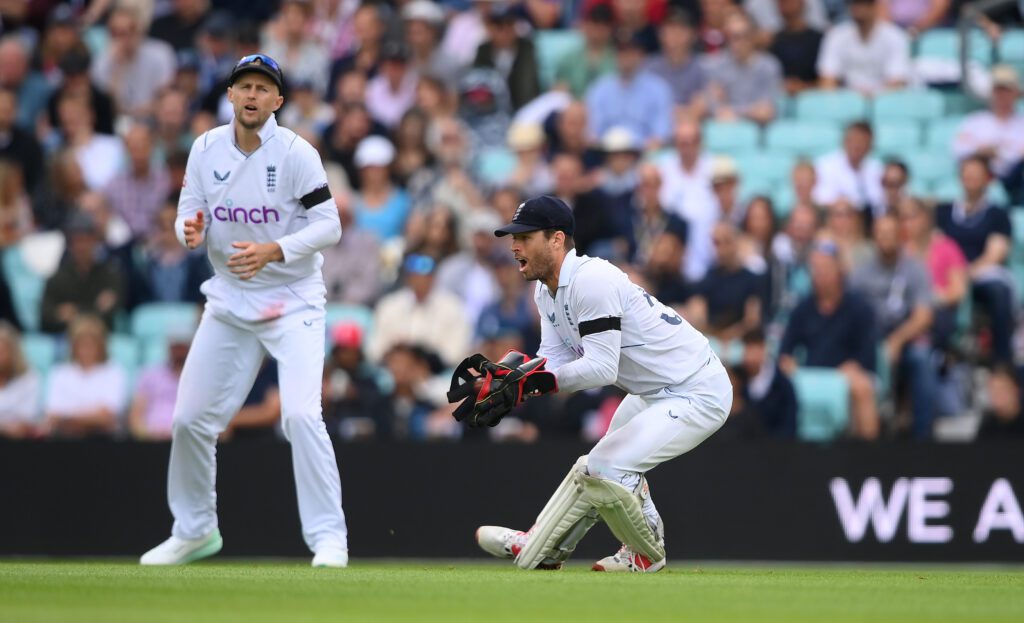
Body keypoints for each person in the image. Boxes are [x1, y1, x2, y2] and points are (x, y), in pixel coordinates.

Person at [140, 54, 348, 568]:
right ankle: (194, 531)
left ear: (278, 101)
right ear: (230, 95)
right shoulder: (205, 147)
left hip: (293, 298)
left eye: (263, 88)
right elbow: (188, 213)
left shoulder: (297, 153)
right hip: (230, 299)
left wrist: (275, 250)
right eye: (244, 86)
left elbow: (329, 226)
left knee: (300, 416)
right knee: (189, 420)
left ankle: (329, 539)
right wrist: (188, 231)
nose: (252, 95)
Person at [473, 195, 731, 573]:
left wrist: (533, 385)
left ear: (556, 239)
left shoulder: (591, 280)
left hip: (698, 389)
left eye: (525, 237)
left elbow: (602, 369)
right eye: (514, 238)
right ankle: (544, 544)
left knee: (608, 466)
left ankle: (646, 553)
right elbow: (553, 360)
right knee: (595, 467)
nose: (514, 246)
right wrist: (515, 379)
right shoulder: (546, 291)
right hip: (652, 391)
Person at [780, 240, 880, 440]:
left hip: (848, 374)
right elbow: (786, 352)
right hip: (811, 375)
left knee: (862, 389)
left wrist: (850, 369)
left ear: (839, 271)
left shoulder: (860, 308)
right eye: (815, 269)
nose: (820, 275)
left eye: (825, 269)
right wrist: (790, 366)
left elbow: (867, 354)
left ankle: (869, 454)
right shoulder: (802, 309)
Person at [850, 214, 936, 439]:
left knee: (922, 359)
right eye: (879, 233)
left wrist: (897, 340)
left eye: (889, 233)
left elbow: (924, 316)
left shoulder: (915, 269)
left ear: (901, 236)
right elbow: (849, 313)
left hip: (905, 340)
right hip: (868, 342)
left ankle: (922, 439)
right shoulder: (861, 274)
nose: (884, 238)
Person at [935, 155, 1015, 364]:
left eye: (976, 174)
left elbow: (994, 255)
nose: (971, 178)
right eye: (967, 173)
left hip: (980, 275)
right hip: (949, 276)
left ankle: (1002, 361)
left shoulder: (998, 215)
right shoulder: (943, 212)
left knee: (999, 292)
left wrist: (965, 274)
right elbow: (936, 248)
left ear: (987, 178)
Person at [585, 31, 673, 150]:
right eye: (622, 52)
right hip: (606, 153)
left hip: (643, 153)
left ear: (641, 55)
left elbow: (661, 133)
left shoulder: (658, 89)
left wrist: (648, 148)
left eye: (631, 52)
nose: (626, 57)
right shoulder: (599, 88)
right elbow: (592, 132)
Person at [43, 314, 127, 439]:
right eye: (81, 344)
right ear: (73, 345)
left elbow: (108, 417)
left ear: (102, 345)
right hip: (65, 440)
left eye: (91, 344)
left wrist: (68, 416)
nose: (86, 349)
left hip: (104, 441)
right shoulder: (60, 372)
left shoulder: (114, 371)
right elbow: (53, 415)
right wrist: (92, 416)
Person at [39, 211, 124, 334]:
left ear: (95, 241)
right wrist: (94, 308)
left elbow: (113, 307)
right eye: (77, 241)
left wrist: (74, 312)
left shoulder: (110, 273)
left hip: (103, 336)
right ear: (70, 245)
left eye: (86, 240)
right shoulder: (58, 277)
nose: (81, 247)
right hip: (66, 337)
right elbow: (46, 315)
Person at [701, 11, 782, 124]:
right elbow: (712, 105)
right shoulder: (716, 65)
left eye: (742, 36)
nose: (737, 43)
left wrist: (734, 112)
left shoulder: (769, 66)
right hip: (725, 127)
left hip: (760, 129)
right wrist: (750, 111)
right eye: (732, 37)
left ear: (753, 37)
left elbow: (766, 111)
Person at [817, 0, 910, 95]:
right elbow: (827, 80)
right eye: (855, 3)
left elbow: (897, 82)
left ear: (875, 6)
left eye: (865, 3)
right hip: (845, 100)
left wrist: (873, 97)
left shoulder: (895, 36)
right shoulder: (836, 35)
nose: (859, 9)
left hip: (885, 100)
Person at [952, 65, 1024, 180]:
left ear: (1016, 93)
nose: (1002, 95)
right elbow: (959, 149)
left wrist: (999, 153)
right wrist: (981, 152)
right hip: (981, 178)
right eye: (998, 90)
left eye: (1007, 90)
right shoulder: (974, 121)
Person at [128, 323, 195, 441]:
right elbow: (136, 417)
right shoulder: (149, 374)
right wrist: (147, 434)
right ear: (169, 347)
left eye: (183, 347)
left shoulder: (200, 379)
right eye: (176, 346)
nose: (179, 352)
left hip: (188, 441)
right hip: (151, 442)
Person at [0, 320, 41, 439]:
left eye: (1, 351)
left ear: (13, 353)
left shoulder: (29, 378)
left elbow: (25, 424)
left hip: (18, 445)